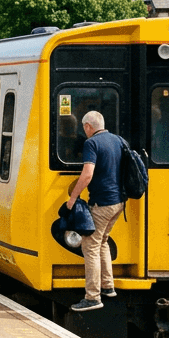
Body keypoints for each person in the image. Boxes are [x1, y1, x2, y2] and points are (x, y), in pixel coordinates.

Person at [65, 111, 124, 312]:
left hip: (102, 203)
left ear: (89, 126)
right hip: (118, 203)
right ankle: (108, 286)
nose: (84, 132)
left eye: (84, 128)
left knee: (89, 245)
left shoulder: (92, 144)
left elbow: (87, 174)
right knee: (102, 241)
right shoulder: (117, 140)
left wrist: (73, 197)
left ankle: (93, 297)